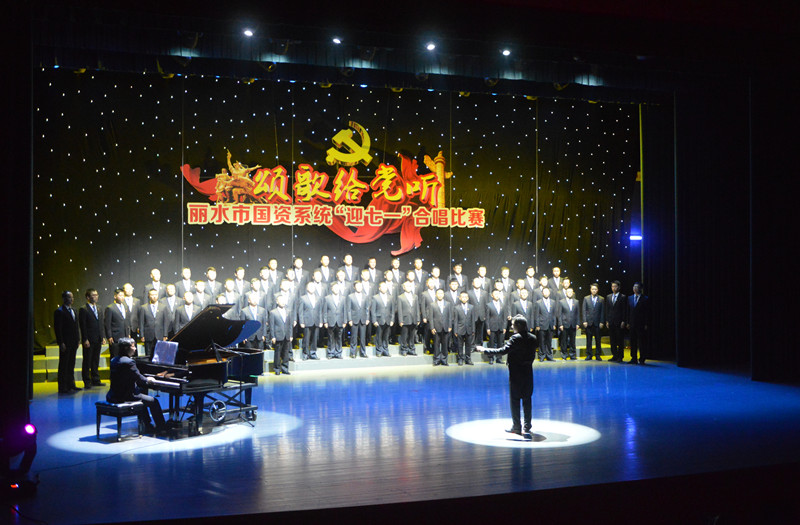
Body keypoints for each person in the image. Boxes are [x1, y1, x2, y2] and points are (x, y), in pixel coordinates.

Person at [478, 315, 537, 439]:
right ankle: (527, 426)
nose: (511, 326)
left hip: (516, 373)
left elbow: (502, 350)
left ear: (518, 326)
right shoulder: (533, 338)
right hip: (528, 373)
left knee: (515, 400)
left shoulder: (515, 338)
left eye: (513, 324)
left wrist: (484, 350)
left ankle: (517, 426)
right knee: (527, 400)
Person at [106, 337, 167, 434]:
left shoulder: (114, 359)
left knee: (142, 395)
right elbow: (139, 378)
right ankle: (162, 427)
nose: (135, 349)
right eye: (133, 346)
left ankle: (147, 424)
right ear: (126, 348)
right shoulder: (129, 362)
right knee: (153, 401)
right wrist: (148, 379)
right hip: (126, 396)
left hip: (113, 395)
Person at [54, 290, 81, 393]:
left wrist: (78, 339)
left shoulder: (74, 310)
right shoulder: (59, 311)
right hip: (65, 342)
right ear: (64, 298)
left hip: (73, 342)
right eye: (69, 297)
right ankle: (63, 386)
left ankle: (71, 384)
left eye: (72, 297)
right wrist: (61, 342)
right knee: (64, 364)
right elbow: (58, 328)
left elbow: (76, 326)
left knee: (71, 363)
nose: (71, 299)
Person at [78, 288, 105, 387]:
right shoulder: (83, 309)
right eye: (93, 295)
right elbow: (83, 325)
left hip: (98, 338)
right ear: (88, 297)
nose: (96, 297)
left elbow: (101, 323)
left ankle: (96, 379)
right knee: (87, 360)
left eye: (96, 295)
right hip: (89, 339)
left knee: (95, 360)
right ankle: (87, 381)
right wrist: (85, 339)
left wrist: (103, 337)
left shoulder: (99, 308)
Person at [138, 288, 168, 359]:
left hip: (160, 335)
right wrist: (142, 335)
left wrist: (165, 334)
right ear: (148, 296)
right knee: (148, 354)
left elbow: (165, 322)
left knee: (160, 354)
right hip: (148, 335)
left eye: (155, 295)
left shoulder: (163, 307)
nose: (154, 296)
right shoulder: (143, 307)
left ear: (158, 295)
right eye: (152, 295)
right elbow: (141, 322)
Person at [428, 288, 452, 366]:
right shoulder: (432, 304)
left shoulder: (448, 304)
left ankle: (444, 360)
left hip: (445, 327)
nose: (440, 295)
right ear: (436, 295)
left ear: (443, 294)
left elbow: (450, 316)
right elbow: (431, 317)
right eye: (438, 293)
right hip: (436, 327)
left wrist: (450, 326)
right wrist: (432, 327)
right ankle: (436, 360)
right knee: (436, 344)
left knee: (445, 345)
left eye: (441, 293)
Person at [297, 281, 322, 360]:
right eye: (310, 287)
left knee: (315, 338)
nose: (312, 288)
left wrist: (321, 321)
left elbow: (320, 310)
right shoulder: (303, 298)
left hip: (316, 321)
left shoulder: (318, 298)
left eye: (313, 287)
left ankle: (313, 353)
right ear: (307, 288)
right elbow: (300, 311)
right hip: (307, 321)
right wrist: (301, 322)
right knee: (306, 339)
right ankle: (305, 354)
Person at [626, 282, 650, 364]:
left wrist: (646, 323)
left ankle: (642, 358)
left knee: (641, 342)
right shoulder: (629, 298)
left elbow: (647, 312)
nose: (635, 288)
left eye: (637, 287)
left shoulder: (645, 298)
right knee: (633, 341)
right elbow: (628, 311)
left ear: (640, 288)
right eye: (634, 287)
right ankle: (633, 358)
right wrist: (627, 322)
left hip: (641, 324)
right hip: (632, 323)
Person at [104, 288, 131, 358]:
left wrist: (128, 333)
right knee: (115, 356)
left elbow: (127, 321)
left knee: (125, 356)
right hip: (115, 337)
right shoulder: (110, 308)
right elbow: (107, 324)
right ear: (115, 296)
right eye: (120, 295)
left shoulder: (125, 306)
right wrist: (109, 336)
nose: (122, 297)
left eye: (123, 295)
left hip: (125, 337)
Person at [370, 281, 394, 357]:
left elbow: (392, 310)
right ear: (379, 288)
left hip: (388, 320)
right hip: (379, 320)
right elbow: (373, 310)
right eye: (383, 287)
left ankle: (385, 350)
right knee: (379, 336)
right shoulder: (375, 297)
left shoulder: (390, 297)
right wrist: (374, 321)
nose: (384, 288)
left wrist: (392, 320)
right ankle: (379, 351)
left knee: (386, 337)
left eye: (385, 287)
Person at [270, 294, 292, 375]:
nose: (283, 302)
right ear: (277, 301)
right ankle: (277, 369)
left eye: (284, 300)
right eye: (281, 300)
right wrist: (273, 336)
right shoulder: (273, 312)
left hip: (286, 335)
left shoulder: (288, 311)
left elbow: (290, 324)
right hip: (278, 335)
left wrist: (291, 335)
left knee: (286, 353)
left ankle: (285, 369)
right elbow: (271, 325)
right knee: (277, 353)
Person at [605, 281, 628, 362]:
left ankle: (620, 356)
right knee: (612, 340)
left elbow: (624, 310)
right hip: (611, 321)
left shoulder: (623, 297)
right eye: (612, 286)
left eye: (615, 286)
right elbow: (607, 309)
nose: (614, 288)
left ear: (619, 287)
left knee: (620, 340)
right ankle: (614, 355)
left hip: (619, 322)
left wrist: (623, 321)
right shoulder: (608, 297)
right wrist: (607, 320)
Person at [582, 283, 605, 361]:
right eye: (592, 289)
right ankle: (589, 354)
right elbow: (584, 310)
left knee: (598, 340)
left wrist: (602, 322)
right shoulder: (586, 298)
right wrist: (584, 321)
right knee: (589, 340)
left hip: (597, 323)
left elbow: (602, 311)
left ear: (597, 290)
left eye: (595, 289)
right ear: (590, 290)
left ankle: (598, 355)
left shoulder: (601, 299)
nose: (594, 290)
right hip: (589, 323)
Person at [452, 291, 476, 365]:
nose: (464, 298)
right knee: (460, 345)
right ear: (460, 298)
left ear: (468, 298)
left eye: (465, 297)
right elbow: (455, 320)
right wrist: (455, 330)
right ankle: (460, 359)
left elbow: (473, 319)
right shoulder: (456, 308)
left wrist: (473, 330)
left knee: (468, 345)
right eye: (462, 297)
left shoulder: (471, 307)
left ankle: (468, 359)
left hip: (469, 329)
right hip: (460, 329)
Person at [397, 280, 420, 356]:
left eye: (410, 286)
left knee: (412, 335)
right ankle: (404, 349)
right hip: (405, 319)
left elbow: (417, 308)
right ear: (404, 287)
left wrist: (418, 318)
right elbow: (399, 310)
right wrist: (400, 320)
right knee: (404, 335)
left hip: (413, 319)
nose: (409, 287)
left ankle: (411, 349)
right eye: (407, 286)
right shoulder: (400, 297)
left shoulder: (415, 296)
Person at [323, 282, 346, 359]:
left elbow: (345, 310)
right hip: (330, 320)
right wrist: (325, 321)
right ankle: (330, 353)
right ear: (332, 289)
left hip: (340, 320)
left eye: (337, 288)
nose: (336, 289)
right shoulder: (327, 298)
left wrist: (345, 321)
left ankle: (338, 353)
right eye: (335, 288)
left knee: (339, 337)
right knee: (331, 338)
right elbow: (325, 311)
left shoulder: (343, 298)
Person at [348, 280, 370, 358]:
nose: (359, 287)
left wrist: (367, 318)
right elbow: (349, 309)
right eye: (357, 286)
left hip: (363, 319)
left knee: (363, 337)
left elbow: (367, 308)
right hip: (354, 319)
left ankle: (363, 352)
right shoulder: (350, 296)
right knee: (353, 337)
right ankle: (353, 353)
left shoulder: (365, 296)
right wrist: (350, 319)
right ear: (354, 287)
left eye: (360, 286)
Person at [534, 287, 557, 362]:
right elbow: (537, 315)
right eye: (544, 292)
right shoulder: (538, 302)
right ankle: (542, 356)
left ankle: (549, 356)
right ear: (542, 293)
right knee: (542, 342)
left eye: (547, 292)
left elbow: (554, 314)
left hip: (550, 325)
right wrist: (537, 325)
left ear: (549, 293)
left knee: (549, 342)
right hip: (541, 324)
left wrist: (554, 324)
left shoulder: (553, 302)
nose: (546, 293)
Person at [486, 288, 507, 365]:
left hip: (501, 326)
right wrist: (488, 328)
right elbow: (487, 318)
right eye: (495, 294)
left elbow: (504, 317)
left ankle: (499, 358)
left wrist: (504, 327)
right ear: (492, 295)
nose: (497, 295)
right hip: (492, 327)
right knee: (491, 343)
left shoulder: (503, 304)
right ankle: (491, 358)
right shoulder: (489, 305)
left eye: (498, 294)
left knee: (500, 343)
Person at [557, 288, 580, 360]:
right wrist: (560, 324)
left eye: (571, 292)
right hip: (564, 324)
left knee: (572, 341)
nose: (570, 293)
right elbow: (559, 314)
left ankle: (572, 355)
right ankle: (564, 355)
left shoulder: (576, 302)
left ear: (573, 293)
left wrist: (578, 323)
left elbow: (577, 313)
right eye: (568, 292)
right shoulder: (561, 302)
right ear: (566, 293)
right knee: (564, 341)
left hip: (573, 324)